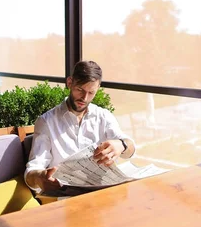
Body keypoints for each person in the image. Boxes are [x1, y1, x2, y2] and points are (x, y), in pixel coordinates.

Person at [24, 60, 136, 192]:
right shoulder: (47, 122)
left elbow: (130, 149)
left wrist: (121, 145)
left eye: (91, 93)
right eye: (80, 90)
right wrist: (39, 178)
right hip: (65, 197)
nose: (85, 98)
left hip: (102, 192)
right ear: (70, 83)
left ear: (98, 89)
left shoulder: (103, 116)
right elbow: (33, 169)